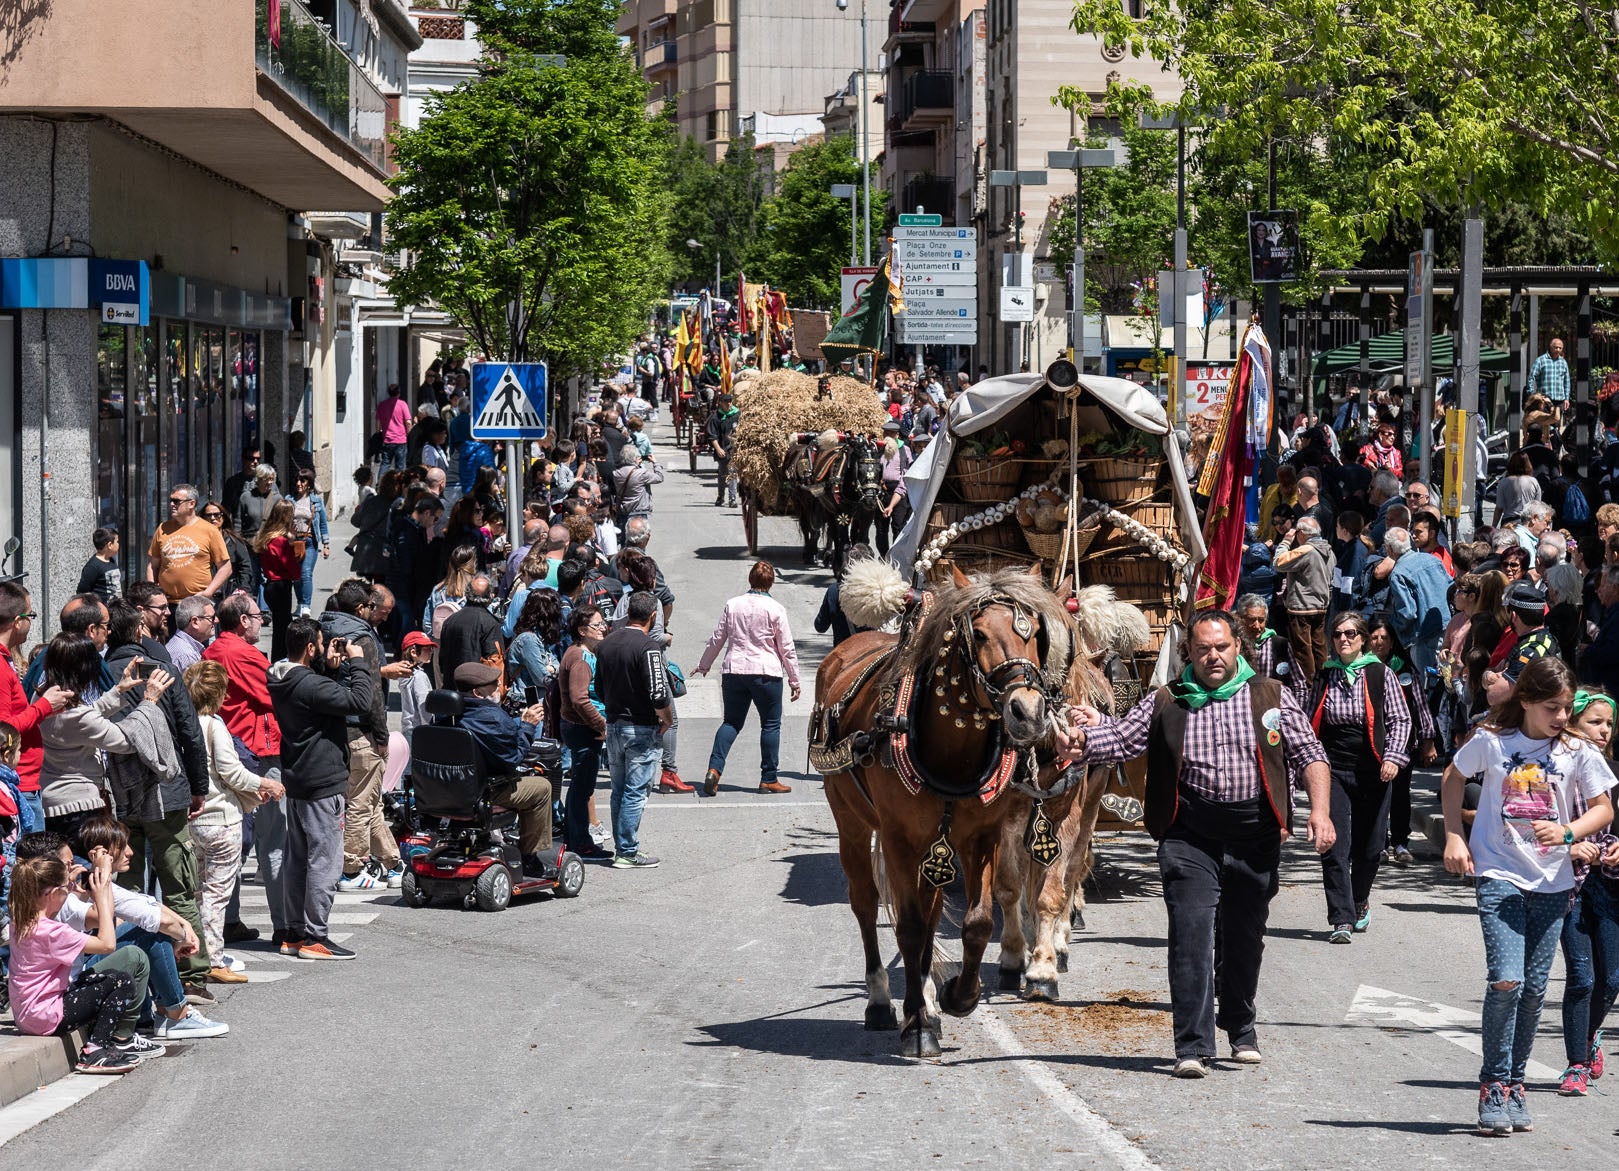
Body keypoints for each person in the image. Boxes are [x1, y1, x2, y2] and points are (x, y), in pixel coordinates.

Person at [1055, 610, 1333, 1076]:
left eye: (1221, 647)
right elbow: (1122, 738)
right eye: (1203, 648)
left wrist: (1320, 813)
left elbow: (1310, 755)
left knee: (1244, 939)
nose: (1213, 656)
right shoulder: (1168, 700)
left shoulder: (1271, 697)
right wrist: (1081, 741)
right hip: (1190, 834)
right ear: (1190, 653)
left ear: (1238, 647)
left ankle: (1240, 1025)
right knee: (1191, 933)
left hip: (1254, 835)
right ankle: (1192, 1045)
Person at [1441, 657, 1614, 1135]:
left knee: (1536, 990)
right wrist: (1455, 836)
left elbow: (1603, 809)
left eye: (1565, 708)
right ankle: (1493, 1084)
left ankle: (1517, 1084)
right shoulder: (1493, 742)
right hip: (1498, 873)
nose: (1560, 717)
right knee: (1507, 980)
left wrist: (1567, 831)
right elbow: (1453, 777)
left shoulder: (1577, 751)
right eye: (1550, 707)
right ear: (1525, 701)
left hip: (1553, 884)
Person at [268, 617, 373, 961]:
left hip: (298, 778)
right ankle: (316, 936)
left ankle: (294, 933)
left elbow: (326, 700)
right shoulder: (309, 684)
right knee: (325, 860)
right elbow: (360, 701)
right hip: (323, 781)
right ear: (310, 647)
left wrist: (332, 669)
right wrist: (357, 661)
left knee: (298, 859)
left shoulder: (281, 677)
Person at [1305, 612, 1413, 942]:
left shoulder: (1379, 673)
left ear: (1363, 637)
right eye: (1337, 634)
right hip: (1332, 768)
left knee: (1370, 847)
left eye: (1351, 633)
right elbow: (1309, 719)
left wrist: (1393, 757)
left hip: (1373, 769)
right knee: (1334, 844)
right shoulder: (1325, 675)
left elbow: (1400, 720)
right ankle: (1341, 918)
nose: (1344, 639)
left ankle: (1359, 899)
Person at [5, 851, 151, 1073]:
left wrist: (68, 886)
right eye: (65, 889)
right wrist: (101, 896)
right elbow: (107, 944)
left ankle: (100, 1044)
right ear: (53, 894)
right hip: (46, 1017)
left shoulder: (22, 922)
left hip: (29, 1014)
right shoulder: (53, 933)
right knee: (121, 981)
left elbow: (51, 909)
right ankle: (95, 1051)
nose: (69, 892)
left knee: (99, 979)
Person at [184, 660, 281, 983]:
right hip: (221, 819)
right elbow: (231, 771)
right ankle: (212, 958)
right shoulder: (214, 726)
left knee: (198, 891)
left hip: (193, 820)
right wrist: (263, 784)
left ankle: (196, 953)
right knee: (217, 893)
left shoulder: (183, 726)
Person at [203, 593, 287, 950]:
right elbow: (274, 695)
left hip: (230, 748)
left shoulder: (213, 650)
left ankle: (230, 921)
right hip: (258, 752)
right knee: (273, 842)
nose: (262, 621)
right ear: (243, 621)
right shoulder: (243, 653)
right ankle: (285, 925)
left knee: (235, 841)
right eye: (258, 615)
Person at [38, 636, 172, 840]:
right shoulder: (80, 717)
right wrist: (149, 702)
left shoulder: (43, 698)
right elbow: (126, 741)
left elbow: (84, 717)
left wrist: (119, 690)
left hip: (51, 802)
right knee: (89, 867)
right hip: (78, 807)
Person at [1555, 689, 1619, 1097]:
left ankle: (1591, 1033)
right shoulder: (1553, 769)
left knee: (1611, 979)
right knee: (1581, 977)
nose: (1604, 731)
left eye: (1610, 724)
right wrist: (1570, 845)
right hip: (1568, 886)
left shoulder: (1613, 772)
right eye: (1595, 721)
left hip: (1610, 889)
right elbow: (1527, 823)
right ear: (1572, 721)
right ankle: (1576, 1064)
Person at [695, 560, 802, 796]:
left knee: (731, 723)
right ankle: (769, 778)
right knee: (771, 724)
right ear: (771, 583)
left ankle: (714, 769)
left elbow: (717, 638)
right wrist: (794, 680)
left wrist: (704, 664)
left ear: (750, 580)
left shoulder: (732, 605)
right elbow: (786, 648)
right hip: (766, 672)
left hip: (734, 670)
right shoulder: (776, 609)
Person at [320, 580, 400, 892]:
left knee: (370, 800)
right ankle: (351, 869)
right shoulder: (361, 637)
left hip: (336, 727)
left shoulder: (325, 627)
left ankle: (392, 862)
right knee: (360, 803)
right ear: (360, 608)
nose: (374, 611)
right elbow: (372, 696)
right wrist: (382, 735)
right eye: (370, 605)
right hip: (360, 730)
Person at [447, 662, 560, 877]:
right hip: (484, 791)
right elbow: (513, 758)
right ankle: (530, 855)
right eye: (493, 685)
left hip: (446, 790)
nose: (499, 687)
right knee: (541, 787)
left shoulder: (443, 716)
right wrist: (527, 726)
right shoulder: (490, 718)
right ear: (478, 692)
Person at [594, 593, 674, 869]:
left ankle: (621, 848)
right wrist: (667, 718)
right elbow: (658, 692)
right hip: (640, 727)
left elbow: (600, 688)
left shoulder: (605, 645)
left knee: (619, 789)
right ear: (653, 616)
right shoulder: (648, 647)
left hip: (614, 725)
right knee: (635, 791)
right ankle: (627, 851)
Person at [1365, 616, 1438, 868]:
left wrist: (1428, 739)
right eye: (1374, 637)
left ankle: (1400, 842)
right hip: (1371, 745)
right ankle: (1379, 843)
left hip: (1403, 744)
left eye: (1384, 638)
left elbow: (1419, 705)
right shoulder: (1363, 668)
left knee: (1399, 795)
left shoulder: (1404, 670)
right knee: (1375, 795)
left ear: (1393, 641)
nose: (1379, 643)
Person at [0, 582, 71, 829]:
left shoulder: (6, 660)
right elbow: (4, 728)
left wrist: (47, 708)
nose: (31, 622)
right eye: (30, 615)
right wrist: (42, 706)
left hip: (24, 780)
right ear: (17, 621)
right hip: (19, 783)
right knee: (32, 864)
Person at [558, 604, 611, 859]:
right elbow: (580, 699)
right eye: (597, 625)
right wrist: (601, 725)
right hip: (582, 729)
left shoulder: (579, 653)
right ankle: (580, 842)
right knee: (582, 788)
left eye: (603, 623)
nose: (603, 628)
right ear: (582, 630)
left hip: (578, 727)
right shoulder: (580, 658)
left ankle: (575, 837)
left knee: (581, 786)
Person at [1273, 516, 1336, 690]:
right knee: (1319, 647)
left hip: (1301, 607)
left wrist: (1286, 541)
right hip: (1321, 606)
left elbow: (1278, 563)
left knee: (1303, 650)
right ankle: (1325, 684)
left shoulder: (1306, 550)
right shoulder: (1330, 551)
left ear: (1301, 533)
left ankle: (1308, 688)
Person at [147, 483, 232, 605]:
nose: (171, 504)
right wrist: (153, 593)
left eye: (176, 501)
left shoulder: (209, 530)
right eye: (171, 501)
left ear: (191, 504)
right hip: (167, 604)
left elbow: (225, 567)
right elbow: (152, 566)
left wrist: (209, 592)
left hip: (197, 603)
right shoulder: (163, 528)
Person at [1484, 582, 1561, 706]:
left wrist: (1487, 677)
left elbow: (1494, 696)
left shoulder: (1529, 651)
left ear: (1513, 615)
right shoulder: (1546, 639)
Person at [253, 499, 302, 663]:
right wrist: (292, 545)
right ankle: (281, 660)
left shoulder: (267, 538)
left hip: (271, 585)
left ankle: (278, 659)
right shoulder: (280, 542)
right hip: (281, 586)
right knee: (283, 627)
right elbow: (293, 570)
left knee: (280, 627)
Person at [437, 573, 504, 690]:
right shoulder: (490, 623)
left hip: (451, 686)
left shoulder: (450, 620)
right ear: (490, 596)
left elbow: (442, 660)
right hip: (475, 690)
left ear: (467, 594)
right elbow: (494, 662)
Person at [288, 469, 330, 617]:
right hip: (293, 542)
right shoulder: (289, 499)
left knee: (306, 574)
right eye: (297, 480)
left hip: (310, 541)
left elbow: (323, 523)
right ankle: (300, 604)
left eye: (303, 481)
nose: (298, 484)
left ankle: (306, 606)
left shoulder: (316, 501)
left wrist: (326, 544)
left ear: (309, 484)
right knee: (296, 577)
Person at [1236, 593, 1294, 686]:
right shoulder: (1234, 645)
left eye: (1261, 620)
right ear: (1240, 619)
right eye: (1251, 620)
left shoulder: (1279, 645)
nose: (1257, 626)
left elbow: (1298, 685)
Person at [203, 501, 256, 601]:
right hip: (206, 592)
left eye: (217, 515)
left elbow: (245, 566)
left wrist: (242, 589)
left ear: (223, 517)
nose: (213, 518)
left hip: (230, 593)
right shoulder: (198, 541)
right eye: (208, 515)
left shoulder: (234, 541)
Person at [397, 631, 437, 744]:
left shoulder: (404, 674)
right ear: (414, 652)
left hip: (408, 727)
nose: (431, 652)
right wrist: (430, 727)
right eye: (427, 649)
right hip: (419, 728)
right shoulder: (419, 676)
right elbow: (423, 705)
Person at [612, 445, 664, 523]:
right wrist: (655, 463)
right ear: (634, 458)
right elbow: (659, 477)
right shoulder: (641, 473)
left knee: (624, 534)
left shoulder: (616, 473)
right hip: (639, 510)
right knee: (639, 534)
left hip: (623, 510)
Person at [706, 393, 740, 507]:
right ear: (721, 403)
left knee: (733, 472)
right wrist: (718, 449)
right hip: (722, 449)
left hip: (734, 449)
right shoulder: (716, 417)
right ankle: (720, 497)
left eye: (730, 401)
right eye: (726, 401)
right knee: (722, 473)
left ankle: (732, 498)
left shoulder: (737, 414)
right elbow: (712, 436)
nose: (729, 404)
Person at [164, 595, 215, 672]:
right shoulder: (187, 656)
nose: (216, 621)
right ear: (195, 622)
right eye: (212, 618)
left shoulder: (184, 646)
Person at [1529, 338, 1571, 424]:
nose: (1558, 350)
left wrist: (1566, 398)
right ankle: (1545, 437)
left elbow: (1567, 381)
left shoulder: (1563, 362)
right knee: (1545, 424)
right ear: (1550, 347)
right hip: (1545, 400)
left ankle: (1553, 437)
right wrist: (1532, 394)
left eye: (1560, 348)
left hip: (1559, 400)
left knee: (1556, 425)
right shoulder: (1541, 360)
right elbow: (1531, 377)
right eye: (1556, 347)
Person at [237, 464, 280, 545]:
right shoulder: (245, 497)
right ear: (258, 479)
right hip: (250, 544)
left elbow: (282, 523)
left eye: (271, 479)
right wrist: (238, 542)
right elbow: (238, 522)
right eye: (266, 479)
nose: (269, 482)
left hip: (270, 545)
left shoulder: (278, 498)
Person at [77, 528, 123, 603]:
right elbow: (82, 592)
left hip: (116, 609)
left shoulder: (111, 560)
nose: (118, 544)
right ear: (110, 545)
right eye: (117, 542)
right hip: (102, 611)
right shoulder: (93, 566)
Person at [377, 382, 412, 471]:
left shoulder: (382, 405)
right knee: (400, 466)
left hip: (387, 439)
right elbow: (408, 422)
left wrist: (379, 433)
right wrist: (408, 434)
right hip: (400, 439)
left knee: (385, 463)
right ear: (399, 393)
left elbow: (378, 422)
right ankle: (399, 484)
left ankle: (381, 483)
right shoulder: (402, 404)